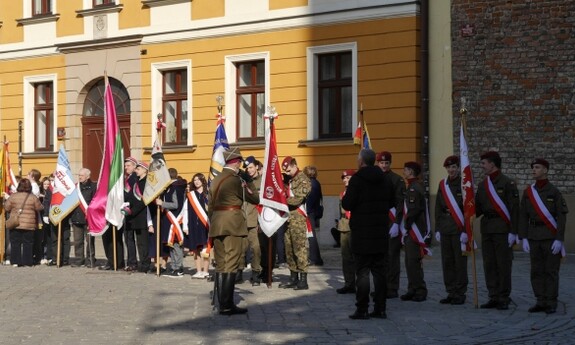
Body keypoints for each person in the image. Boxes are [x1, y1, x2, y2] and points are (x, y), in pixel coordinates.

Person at [342, 149, 394, 320]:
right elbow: (392, 201)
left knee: (362, 273)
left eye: (358, 158)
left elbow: (348, 204)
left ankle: (362, 309)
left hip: (362, 233)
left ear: (362, 161)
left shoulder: (357, 180)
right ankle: (381, 308)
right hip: (380, 232)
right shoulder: (385, 179)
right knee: (379, 272)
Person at [208, 147, 259, 315]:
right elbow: (254, 197)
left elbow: (209, 206)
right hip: (233, 225)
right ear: (237, 163)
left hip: (217, 223)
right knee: (232, 262)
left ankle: (223, 302)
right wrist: (248, 181)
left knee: (222, 262)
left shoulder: (215, 179)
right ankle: (226, 304)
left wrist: (214, 222)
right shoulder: (236, 180)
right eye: (240, 164)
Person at [519, 158, 568, 314]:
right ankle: (540, 301)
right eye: (533, 167)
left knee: (551, 271)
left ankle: (551, 302)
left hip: (550, 237)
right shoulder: (528, 192)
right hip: (533, 236)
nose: (534, 170)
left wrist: (559, 239)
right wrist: (524, 237)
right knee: (536, 271)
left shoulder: (554, 192)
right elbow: (523, 215)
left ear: (545, 170)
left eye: (538, 167)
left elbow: (561, 216)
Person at [475, 151, 519, 310]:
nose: (482, 166)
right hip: (487, 228)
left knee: (503, 264)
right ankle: (493, 295)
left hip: (502, 228)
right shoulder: (482, 185)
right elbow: (477, 209)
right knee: (489, 264)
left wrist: (513, 232)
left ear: (492, 164)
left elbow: (514, 209)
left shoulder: (508, 183)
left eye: (484, 163)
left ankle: (503, 296)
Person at [434, 155, 468, 305]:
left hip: (458, 228)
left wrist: (466, 231)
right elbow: (438, 209)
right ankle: (451, 291)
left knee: (459, 263)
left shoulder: (464, 184)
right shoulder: (443, 185)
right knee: (447, 262)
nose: (451, 170)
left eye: (454, 167)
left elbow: (468, 209)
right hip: (446, 227)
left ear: (458, 168)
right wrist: (438, 229)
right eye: (449, 167)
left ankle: (460, 293)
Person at [278, 156, 311, 290]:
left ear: (294, 165)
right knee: (289, 249)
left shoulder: (303, 179)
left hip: (298, 218)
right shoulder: (290, 180)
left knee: (299, 248)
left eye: (288, 170)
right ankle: (293, 277)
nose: (286, 173)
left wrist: (282, 200)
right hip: (288, 218)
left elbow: (298, 199)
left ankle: (303, 279)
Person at [376, 151, 406, 299]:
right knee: (379, 257)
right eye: (381, 163)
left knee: (392, 256)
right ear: (377, 163)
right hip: (378, 222)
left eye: (386, 163)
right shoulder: (374, 178)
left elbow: (400, 203)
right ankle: (380, 286)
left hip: (391, 221)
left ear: (390, 164)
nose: (384, 166)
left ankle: (392, 287)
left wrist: (396, 223)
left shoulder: (397, 180)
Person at [400, 161, 430, 302]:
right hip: (412, 228)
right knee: (409, 261)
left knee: (413, 261)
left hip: (414, 229)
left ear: (411, 171)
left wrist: (405, 226)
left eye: (405, 170)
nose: (403, 172)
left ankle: (420, 290)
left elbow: (413, 210)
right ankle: (412, 288)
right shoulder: (412, 186)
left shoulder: (414, 188)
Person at [4, 178, 44, 267]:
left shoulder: (13, 196)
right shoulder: (32, 197)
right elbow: (40, 208)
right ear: (29, 187)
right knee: (28, 243)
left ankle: (15, 261)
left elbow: (7, 208)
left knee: (15, 243)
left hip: (15, 223)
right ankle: (27, 262)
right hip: (29, 224)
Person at [156, 168, 187, 278]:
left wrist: (162, 203)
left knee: (176, 245)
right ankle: (174, 267)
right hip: (169, 220)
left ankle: (179, 268)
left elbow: (175, 205)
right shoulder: (169, 188)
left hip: (175, 220)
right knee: (172, 245)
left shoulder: (176, 188)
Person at [123, 161, 151, 273]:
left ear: (144, 170)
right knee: (136, 241)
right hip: (133, 216)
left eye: (138, 169)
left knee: (143, 242)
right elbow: (130, 196)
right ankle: (138, 263)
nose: (136, 170)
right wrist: (126, 205)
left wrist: (132, 211)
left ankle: (145, 264)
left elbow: (143, 201)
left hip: (141, 215)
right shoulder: (136, 181)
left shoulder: (146, 183)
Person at [242, 156, 263, 286]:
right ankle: (238, 272)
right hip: (241, 219)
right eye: (247, 168)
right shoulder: (241, 181)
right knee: (240, 249)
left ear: (256, 167)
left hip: (254, 219)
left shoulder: (262, 181)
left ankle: (256, 274)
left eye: (250, 167)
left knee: (256, 248)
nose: (249, 170)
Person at [185, 173, 211, 279]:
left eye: (198, 180)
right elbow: (185, 211)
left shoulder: (208, 194)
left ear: (202, 181)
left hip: (205, 225)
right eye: (194, 180)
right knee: (195, 249)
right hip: (193, 225)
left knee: (205, 249)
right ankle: (198, 270)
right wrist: (185, 227)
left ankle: (205, 271)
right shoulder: (190, 195)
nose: (196, 182)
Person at [70, 168, 97, 267]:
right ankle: (79, 260)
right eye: (79, 175)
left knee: (90, 241)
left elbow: (95, 201)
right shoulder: (75, 187)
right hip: (76, 217)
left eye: (81, 175)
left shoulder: (94, 186)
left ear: (88, 176)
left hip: (88, 218)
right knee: (78, 241)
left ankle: (90, 259)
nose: (80, 177)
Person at [335, 169, 356, 294]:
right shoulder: (342, 193)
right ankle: (349, 283)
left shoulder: (357, 191)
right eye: (344, 178)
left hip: (354, 226)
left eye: (348, 177)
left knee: (356, 257)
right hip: (344, 226)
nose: (345, 180)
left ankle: (359, 283)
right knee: (346, 257)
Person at [303, 165, 324, 266]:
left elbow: (310, 200)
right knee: (311, 235)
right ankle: (316, 258)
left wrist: (306, 211)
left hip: (309, 212)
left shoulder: (310, 184)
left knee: (311, 236)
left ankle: (314, 258)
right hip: (313, 211)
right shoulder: (317, 182)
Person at [123, 157, 139, 272]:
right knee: (128, 239)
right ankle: (130, 261)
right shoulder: (126, 178)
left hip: (134, 212)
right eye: (125, 166)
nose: (126, 168)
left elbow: (133, 195)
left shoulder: (134, 178)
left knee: (132, 239)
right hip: (126, 212)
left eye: (128, 165)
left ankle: (133, 262)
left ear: (134, 166)